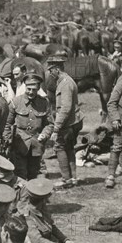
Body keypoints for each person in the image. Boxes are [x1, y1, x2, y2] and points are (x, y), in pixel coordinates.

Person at [20, 179, 116, 243]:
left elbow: (51, 226)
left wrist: (65, 240)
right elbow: (37, 242)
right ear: (43, 199)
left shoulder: (41, 209)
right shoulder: (26, 215)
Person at [4, 72, 54, 180]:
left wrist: (44, 135)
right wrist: (8, 140)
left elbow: (49, 124)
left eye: (34, 89)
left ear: (38, 88)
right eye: (28, 88)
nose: (31, 92)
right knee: (20, 174)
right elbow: (7, 124)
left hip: (36, 145)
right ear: (25, 86)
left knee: (34, 175)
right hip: (19, 145)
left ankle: (32, 196)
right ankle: (21, 195)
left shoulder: (44, 103)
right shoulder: (15, 102)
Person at [47, 55, 83, 189]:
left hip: (68, 123)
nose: (50, 74)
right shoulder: (66, 81)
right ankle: (73, 178)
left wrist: (56, 128)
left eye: (51, 70)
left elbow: (66, 108)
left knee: (59, 147)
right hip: (73, 121)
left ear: (57, 69)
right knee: (69, 148)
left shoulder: (65, 83)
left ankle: (66, 179)